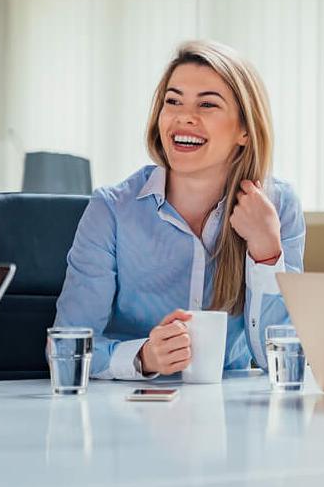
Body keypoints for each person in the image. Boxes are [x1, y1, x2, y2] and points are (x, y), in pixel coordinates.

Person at [55, 40, 305, 380]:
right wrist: (143, 356)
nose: (184, 116)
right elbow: (69, 344)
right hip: (128, 413)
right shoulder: (111, 210)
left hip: (231, 416)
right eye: (172, 101)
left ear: (245, 130)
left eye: (207, 105)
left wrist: (265, 250)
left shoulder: (279, 207)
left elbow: (276, 360)